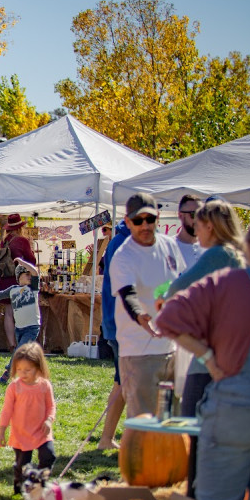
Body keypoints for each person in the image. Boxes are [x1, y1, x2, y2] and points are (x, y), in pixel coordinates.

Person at [157, 221, 250, 500]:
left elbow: (168, 317)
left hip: (231, 403)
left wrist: (209, 357)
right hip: (234, 400)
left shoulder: (227, 283)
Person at [160, 199, 244, 416]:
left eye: (198, 224)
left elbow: (178, 286)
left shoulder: (218, 254)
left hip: (211, 353)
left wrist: (162, 297)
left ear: (210, 226)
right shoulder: (236, 254)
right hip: (235, 351)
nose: (195, 229)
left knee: (191, 418)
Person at [108, 192, 185, 418]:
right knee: (143, 420)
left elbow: (179, 283)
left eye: (149, 219)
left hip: (172, 348)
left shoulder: (170, 246)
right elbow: (127, 293)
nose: (145, 226)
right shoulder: (124, 256)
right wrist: (141, 315)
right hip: (139, 351)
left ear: (158, 218)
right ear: (128, 221)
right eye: (138, 221)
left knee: (172, 419)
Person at [0, 342, 56, 494]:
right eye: (19, 369)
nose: (23, 373)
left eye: (27, 370)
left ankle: (40, 482)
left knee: (49, 455)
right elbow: (6, 410)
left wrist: (49, 420)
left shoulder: (44, 386)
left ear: (38, 367)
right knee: (22, 465)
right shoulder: (14, 387)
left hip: (42, 431)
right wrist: (2, 430)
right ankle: (19, 486)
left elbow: (51, 406)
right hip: (21, 432)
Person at [97, 220, 130, 450]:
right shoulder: (121, 243)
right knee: (126, 381)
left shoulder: (122, 241)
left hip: (122, 323)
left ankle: (107, 438)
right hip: (122, 324)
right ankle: (110, 438)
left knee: (122, 381)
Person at [0, 259, 40, 384]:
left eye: (30, 275)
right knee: (25, 353)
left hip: (32, 327)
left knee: (20, 351)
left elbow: (35, 272)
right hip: (19, 328)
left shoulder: (33, 288)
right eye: (26, 274)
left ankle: (7, 373)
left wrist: (23, 263)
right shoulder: (13, 290)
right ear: (19, 277)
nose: (30, 277)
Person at [0, 214, 36, 352]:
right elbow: (32, 261)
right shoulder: (22, 241)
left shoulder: (4, 241)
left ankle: (12, 343)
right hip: (19, 280)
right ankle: (22, 343)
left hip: (5, 280)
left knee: (8, 313)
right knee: (21, 313)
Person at [174, 194, 204, 268]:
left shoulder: (209, 247)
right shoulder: (169, 247)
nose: (198, 219)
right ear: (181, 216)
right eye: (194, 214)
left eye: (201, 214)